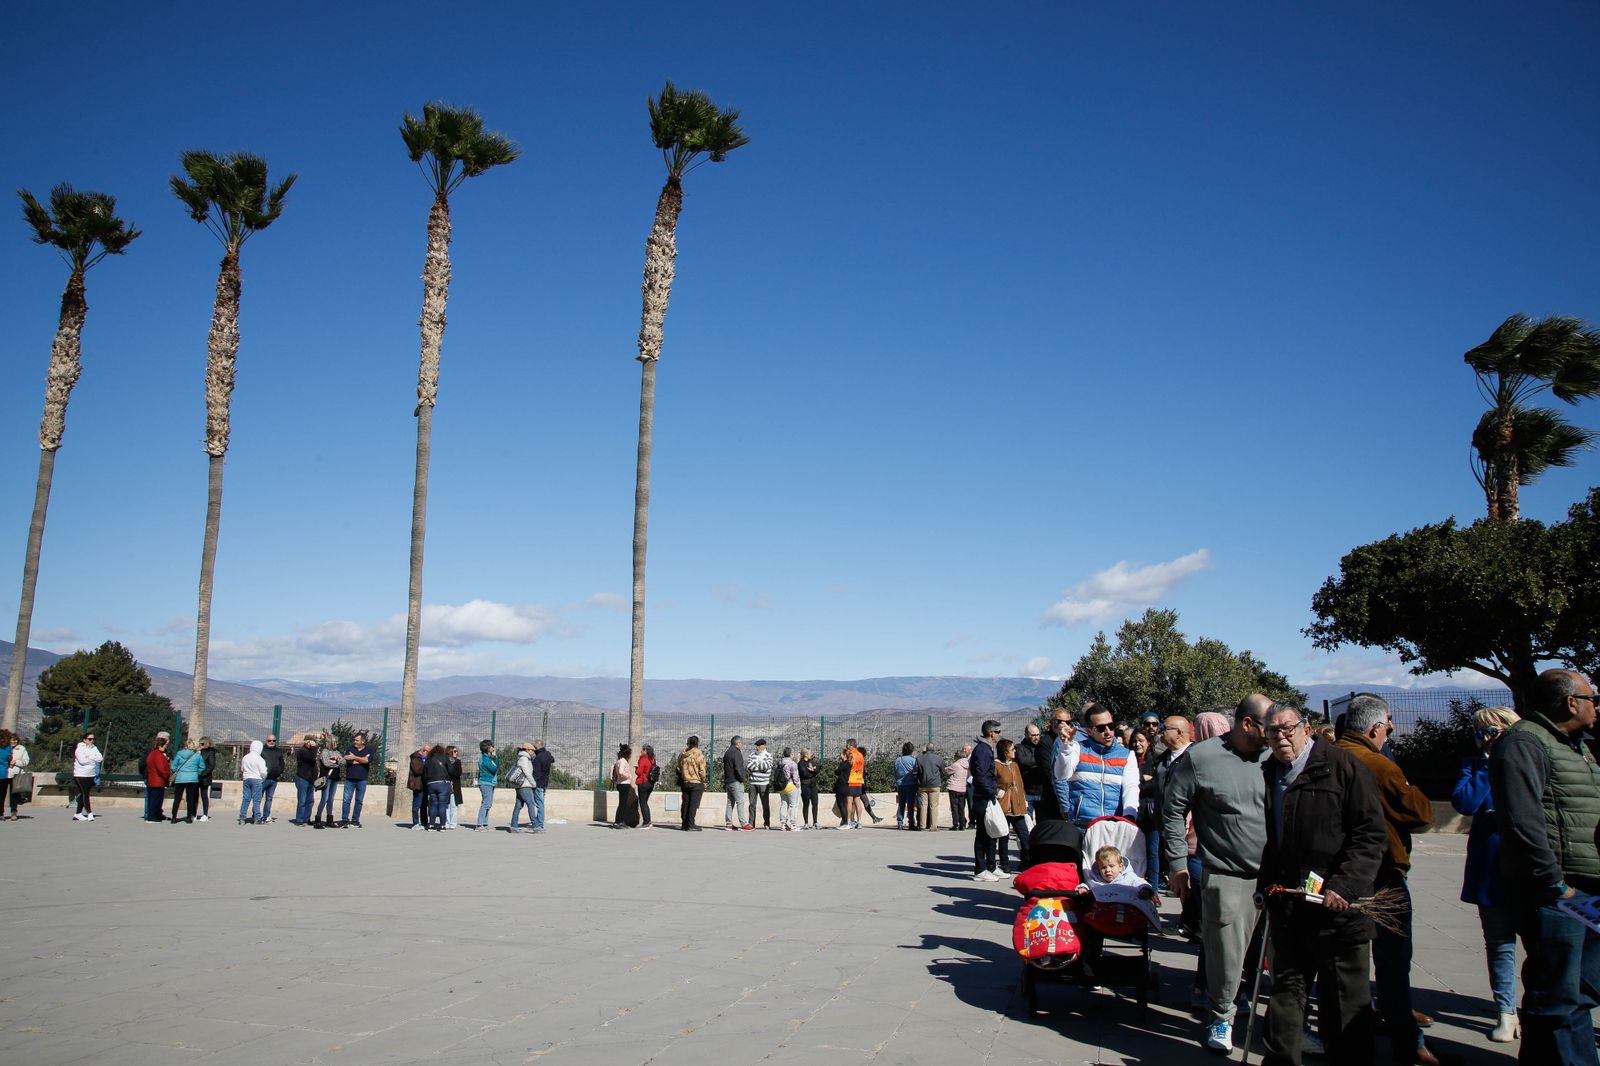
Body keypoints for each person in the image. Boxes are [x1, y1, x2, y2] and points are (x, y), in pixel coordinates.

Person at [1257, 702, 1386, 1066]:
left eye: (1288, 729)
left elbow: (1370, 834)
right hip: (1292, 905)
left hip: (1338, 911)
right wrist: (1267, 885)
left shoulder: (1343, 767)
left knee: (1344, 1001)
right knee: (1286, 992)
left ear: (1307, 728)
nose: (1280, 737)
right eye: (1272, 732)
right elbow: (1277, 838)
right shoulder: (1272, 770)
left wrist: (1344, 886)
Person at [1490, 669, 1600, 1066]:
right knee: (1560, 993)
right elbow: (1522, 820)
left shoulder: (1576, 745)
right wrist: (1554, 883)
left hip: (1586, 886)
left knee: (1573, 991)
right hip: (1559, 892)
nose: (1596, 706)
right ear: (1572, 703)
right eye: (1592, 699)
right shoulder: (1524, 744)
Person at [1335, 693, 1447, 1065]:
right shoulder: (1378, 765)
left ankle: (1356, 1029)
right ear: (1375, 728)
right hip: (1381, 870)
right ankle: (1406, 1039)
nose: (1390, 733)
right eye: (1388, 728)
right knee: (1394, 956)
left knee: (1347, 958)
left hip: (1340, 872)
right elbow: (1420, 812)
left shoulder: (1327, 757)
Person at [1163, 696, 1270, 1053]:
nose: (1275, 732)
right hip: (1227, 872)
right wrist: (1177, 864)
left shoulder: (1277, 756)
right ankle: (1221, 1016)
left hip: (1278, 874)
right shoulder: (1202, 758)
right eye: (1267, 724)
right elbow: (1174, 810)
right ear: (1247, 724)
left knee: (1283, 956)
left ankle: (1287, 1025)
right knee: (1225, 952)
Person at [1451, 704, 1520, 1043]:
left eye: (1492, 732)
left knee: (1544, 945)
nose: (1485, 739)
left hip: (1527, 866)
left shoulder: (1530, 761)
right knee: (1499, 944)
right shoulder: (1475, 765)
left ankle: (1538, 1005)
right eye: (1480, 733)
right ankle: (1506, 1010)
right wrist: (1488, 765)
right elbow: (1464, 802)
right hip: (1489, 867)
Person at [1054, 703, 1139, 828]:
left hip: (1115, 825)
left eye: (1111, 726)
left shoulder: (1127, 755)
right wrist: (1066, 747)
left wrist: (1129, 817)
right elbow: (1061, 775)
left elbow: (1131, 788)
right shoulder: (1077, 748)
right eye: (1101, 728)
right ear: (1089, 731)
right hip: (1083, 825)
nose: (1108, 732)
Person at [969, 720, 1003, 880]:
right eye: (998, 732)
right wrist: (991, 791)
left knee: (991, 832)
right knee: (983, 833)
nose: (999, 734)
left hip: (987, 795)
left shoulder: (986, 749)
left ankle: (991, 865)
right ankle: (980, 869)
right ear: (991, 733)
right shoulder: (983, 750)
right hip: (983, 797)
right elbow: (981, 774)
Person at [995, 738, 1029, 871]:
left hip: (1018, 806)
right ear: (1005, 751)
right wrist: (999, 792)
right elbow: (991, 783)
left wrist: (1023, 798)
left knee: (1024, 836)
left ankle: (1026, 862)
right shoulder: (996, 765)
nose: (1015, 751)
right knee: (1004, 837)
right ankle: (1005, 864)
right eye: (1012, 749)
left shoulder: (1015, 765)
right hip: (1003, 806)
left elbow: (1020, 783)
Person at [169, 738, 205, 824]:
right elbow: (202, 767)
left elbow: (173, 767)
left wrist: (178, 771)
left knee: (177, 799)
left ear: (185, 746)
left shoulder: (179, 754)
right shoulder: (197, 755)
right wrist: (196, 772)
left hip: (180, 779)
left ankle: (174, 818)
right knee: (190, 799)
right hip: (192, 779)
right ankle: (189, 818)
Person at [1016, 722, 1048, 817]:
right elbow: (1023, 761)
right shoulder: (1019, 748)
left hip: (1042, 792)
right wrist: (1041, 759)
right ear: (1026, 735)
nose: (1036, 737)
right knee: (1027, 821)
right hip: (1027, 792)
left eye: (1038, 735)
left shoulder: (1043, 747)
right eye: (1033, 735)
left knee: (1043, 822)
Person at [341, 733, 372, 828]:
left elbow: (367, 761)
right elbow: (347, 759)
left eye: (357, 740)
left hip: (362, 779)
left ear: (362, 741)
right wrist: (361, 759)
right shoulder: (350, 749)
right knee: (346, 800)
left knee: (359, 800)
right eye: (354, 740)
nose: (354, 742)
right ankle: (345, 820)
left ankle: (355, 820)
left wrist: (354, 757)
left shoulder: (369, 750)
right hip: (350, 779)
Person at [71, 730, 103, 821]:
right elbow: (82, 761)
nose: (92, 741)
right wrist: (92, 759)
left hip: (91, 774)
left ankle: (78, 814)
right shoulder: (80, 748)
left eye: (93, 739)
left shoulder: (94, 748)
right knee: (85, 794)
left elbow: (100, 758)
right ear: (84, 740)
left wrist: (89, 757)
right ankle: (89, 813)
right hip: (80, 775)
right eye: (89, 739)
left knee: (83, 793)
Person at [677, 735, 707, 831]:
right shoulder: (698, 753)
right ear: (697, 743)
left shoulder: (683, 754)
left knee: (685, 803)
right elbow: (702, 769)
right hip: (696, 782)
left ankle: (684, 824)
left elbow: (678, 768)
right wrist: (703, 780)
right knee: (693, 805)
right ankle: (691, 824)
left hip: (685, 782)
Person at [314, 737, 342, 828]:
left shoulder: (337, 752)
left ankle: (330, 819)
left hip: (335, 778)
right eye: (334, 742)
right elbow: (326, 763)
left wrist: (335, 760)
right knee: (324, 799)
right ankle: (318, 819)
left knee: (331, 799)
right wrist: (337, 762)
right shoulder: (324, 752)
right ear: (329, 742)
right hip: (327, 778)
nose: (336, 743)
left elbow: (344, 761)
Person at [508, 742, 537, 833]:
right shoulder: (524, 759)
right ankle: (535, 826)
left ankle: (513, 825)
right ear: (527, 750)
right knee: (531, 804)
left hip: (521, 785)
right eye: (532, 750)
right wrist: (533, 783)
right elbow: (527, 772)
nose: (533, 752)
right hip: (525, 785)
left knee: (518, 805)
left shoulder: (524, 758)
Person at [915, 745, 945, 831]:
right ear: (933, 749)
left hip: (922, 785)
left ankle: (922, 826)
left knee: (923, 805)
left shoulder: (919, 758)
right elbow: (943, 771)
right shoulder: (938, 758)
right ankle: (933, 827)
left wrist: (919, 780)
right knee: (934, 806)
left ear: (926, 750)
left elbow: (915, 772)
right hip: (935, 785)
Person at [722, 736, 750, 831]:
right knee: (740, 802)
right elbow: (738, 768)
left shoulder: (727, 752)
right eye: (741, 743)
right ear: (737, 744)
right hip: (736, 781)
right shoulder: (736, 753)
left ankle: (728, 823)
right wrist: (742, 779)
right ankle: (744, 824)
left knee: (730, 802)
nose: (742, 745)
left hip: (728, 781)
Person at [144, 732, 172, 822]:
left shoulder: (153, 753)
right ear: (162, 745)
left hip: (153, 779)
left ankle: (154, 815)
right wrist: (167, 775)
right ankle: (151, 817)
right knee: (155, 799)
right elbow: (161, 768)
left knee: (154, 799)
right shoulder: (158, 755)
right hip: (157, 780)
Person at [746, 738, 774, 829]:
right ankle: (751, 823)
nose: (757, 747)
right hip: (752, 783)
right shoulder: (752, 755)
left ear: (764, 746)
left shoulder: (768, 755)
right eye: (757, 746)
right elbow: (749, 766)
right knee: (751, 804)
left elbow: (766, 767)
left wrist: (756, 765)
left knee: (765, 804)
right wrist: (760, 765)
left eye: (759, 746)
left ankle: (766, 823)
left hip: (764, 783)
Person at [422, 744, 451, 831]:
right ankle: (442, 826)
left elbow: (425, 774)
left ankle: (431, 825)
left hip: (431, 784)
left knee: (433, 804)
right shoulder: (445, 758)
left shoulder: (428, 760)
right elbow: (451, 770)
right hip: (443, 783)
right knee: (442, 804)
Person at [528, 739, 554, 831]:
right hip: (545, 782)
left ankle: (539, 824)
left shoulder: (538, 758)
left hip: (538, 783)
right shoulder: (548, 754)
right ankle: (539, 822)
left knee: (539, 804)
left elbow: (537, 773)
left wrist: (533, 783)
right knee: (541, 803)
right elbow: (552, 760)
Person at [239, 739, 267, 824]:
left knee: (246, 799)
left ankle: (242, 818)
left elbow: (242, 769)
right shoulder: (260, 759)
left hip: (246, 779)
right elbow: (263, 771)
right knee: (256, 800)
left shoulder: (245, 757)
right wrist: (263, 778)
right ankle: (257, 818)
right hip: (257, 779)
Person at [946, 744, 972, 830]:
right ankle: (962, 824)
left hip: (954, 788)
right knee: (961, 807)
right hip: (962, 788)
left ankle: (955, 824)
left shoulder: (956, 765)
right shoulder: (966, 765)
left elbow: (947, 771)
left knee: (954, 807)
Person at [612, 744, 638, 828]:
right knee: (623, 804)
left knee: (622, 804)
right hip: (624, 784)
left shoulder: (619, 761)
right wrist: (628, 776)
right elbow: (620, 772)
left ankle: (619, 821)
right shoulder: (623, 761)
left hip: (620, 784)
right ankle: (619, 822)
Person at [894, 741, 920, 829]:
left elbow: (895, 773)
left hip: (901, 785)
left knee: (901, 804)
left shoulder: (898, 760)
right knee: (910, 804)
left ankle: (900, 822)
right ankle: (911, 822)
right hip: (911, 785)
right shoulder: (913, 760)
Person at [474, 739, 498, 831]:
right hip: (486, 782)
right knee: (486, 803)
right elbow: (494, 768)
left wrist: (493, 758)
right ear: (488, 748)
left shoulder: (488, 758)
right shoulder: (485, 759)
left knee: (488, 803)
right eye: (492, 746)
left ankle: (485, 823)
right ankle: (479, 825)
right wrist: (495, 757)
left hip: (490, 782)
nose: (493, 748)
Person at [260, 734, 284, 822]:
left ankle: (266, 816)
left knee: (269, 798)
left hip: (274, 779)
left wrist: (279, 771)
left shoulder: (278, 751)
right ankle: (256, 815)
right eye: (269, 740)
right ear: (266, 741)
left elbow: (282, 763)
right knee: (258, 797)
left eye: (273, 741)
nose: (271, 742)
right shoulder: (262, 750)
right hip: (263, 779)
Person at [6, 732, 30, 820]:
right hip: (4, 774)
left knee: (14, 795)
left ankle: (14, 812)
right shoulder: (4, 748)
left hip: (16, 774)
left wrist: (16, 762)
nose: (13, 742)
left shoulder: (22, 749)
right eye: (11, 740)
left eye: (15, 740)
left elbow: (26, 762)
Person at [776, 746, 800, 830]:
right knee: (793, 805)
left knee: (784, 804)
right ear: (791, 754)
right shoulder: (793, 764)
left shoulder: (780, 762)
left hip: (782, 787)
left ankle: (783, 824)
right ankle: (793, 824)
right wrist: (797, 785)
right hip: (790, 786)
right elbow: (795, 776)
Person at [406, 743, 428, 829]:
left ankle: (424, 822)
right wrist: (426, 767)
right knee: (417, 804)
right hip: (418, 784)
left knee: (424, 804)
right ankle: (415, 822)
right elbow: (417, 770)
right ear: (424, 751)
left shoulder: (425, 759)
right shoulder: (415, 758)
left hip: (425, 784)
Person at [797, 748, 820, 829]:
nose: (811, 754)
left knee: (815, 803)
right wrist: (812, 771)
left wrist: (812, 770)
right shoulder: (801, 763)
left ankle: (815, 822)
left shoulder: (812, 761)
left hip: (813, 785)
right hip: (805, 785)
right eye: (810, 753)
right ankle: (806, 823)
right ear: (806, 754)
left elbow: (817, 770)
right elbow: (804, 774)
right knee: (806, 804)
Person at [196, 736, 217, 821]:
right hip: (196, 776)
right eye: (199, 743)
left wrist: (204, 773)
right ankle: (193, 813)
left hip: (205, 777)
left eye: (202, 743)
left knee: (204, 795)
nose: (200, 745)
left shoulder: (210, 752)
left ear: (206, 743)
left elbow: (211, 765)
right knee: (194, 795)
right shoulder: (197, 752)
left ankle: (205, 814)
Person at [636, 744, 657, 829]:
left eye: (642, 750)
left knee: (643, 803)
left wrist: (636, 769)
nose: (641, 751)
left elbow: (639, 772)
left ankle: (646, 822)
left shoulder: (643, 759)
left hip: (643, 782)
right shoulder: (652, 760)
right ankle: (649, 822)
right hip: (650, 783)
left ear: (645, 751)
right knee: (645, 802)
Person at [444, 744, 463, 829]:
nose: (456, 752)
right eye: (455, 751)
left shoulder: (457, 762)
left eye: (456, 751)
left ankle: (453, 823)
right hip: (446, 785)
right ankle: (446, 822)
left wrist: (451, 773)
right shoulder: (444, 761)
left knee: (454, 805)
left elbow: (458, 773)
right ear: (450, 752)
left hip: (455, 786)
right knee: (446, 805)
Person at [832, 746, 853, 828]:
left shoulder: (844, 764)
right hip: (847, 785)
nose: (839, 755)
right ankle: (846, 821)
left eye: (841, 754)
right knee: (844, 804)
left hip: (842, 786)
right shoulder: (849, 763)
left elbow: (837, 772)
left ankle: (845, 822)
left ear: (844, 755)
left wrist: (836, 770)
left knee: (841, 804)